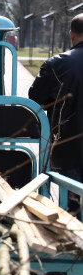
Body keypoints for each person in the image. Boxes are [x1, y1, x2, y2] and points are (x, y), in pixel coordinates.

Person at [29, 14, 83, 213]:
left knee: (73, 207)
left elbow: (35, 98)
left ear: (71, 35)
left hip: (69, 147)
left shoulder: (57, 64)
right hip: (70, 149)